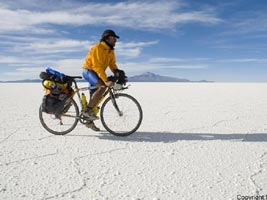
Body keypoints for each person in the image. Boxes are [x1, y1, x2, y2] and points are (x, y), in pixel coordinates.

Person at [82, 29, 122, 131]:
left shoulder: (110, 51)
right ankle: (87, 111)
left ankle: (88, 121)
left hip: (98, 73)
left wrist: (118, 72)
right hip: (89, 71)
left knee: (95, 99)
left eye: (115, 39)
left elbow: (112, 64)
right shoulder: (97, 48)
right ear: (107, 38)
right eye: (113, 39)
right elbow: (97, 66)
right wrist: (105, 80)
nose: (115, 41)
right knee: (102, 87)